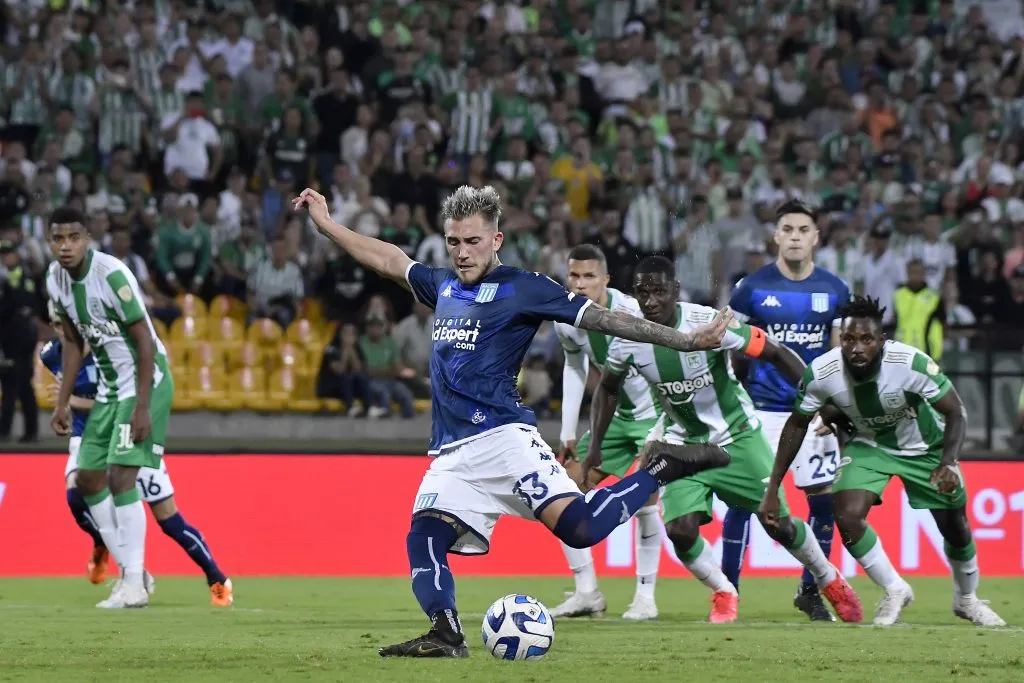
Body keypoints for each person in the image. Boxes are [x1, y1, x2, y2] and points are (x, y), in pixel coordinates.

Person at [293, 184, 733, 658]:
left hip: (504, 438)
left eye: (473, 242)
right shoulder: (441, 285)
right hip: (452, 453)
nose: (462, 253)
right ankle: (446, 634)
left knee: (580, 529)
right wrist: (329, 226)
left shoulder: (525, 288)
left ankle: (660, 469)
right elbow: (388, 259)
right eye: (454, 242)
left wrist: (685, 341)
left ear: (497, 240)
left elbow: (606, 320)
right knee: (423, 537)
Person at [591, 257, 862, 624]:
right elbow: (607, 388)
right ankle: (723, 590)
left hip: (737, 438)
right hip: (683, 445)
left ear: (675, 290)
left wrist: (818, 401)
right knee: (679, 531)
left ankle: (830, 580)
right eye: (643, 293)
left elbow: (776, 352)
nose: (651, 301)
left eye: (658, 291)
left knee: (776, 522)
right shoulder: (629, 338)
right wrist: (594, 447)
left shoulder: (709, 323)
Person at [760, 296, 1006, 627]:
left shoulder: (910, 364)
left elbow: (955, 411)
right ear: (840, 339)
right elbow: (797, 423)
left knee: (955, 528)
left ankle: (967, 599)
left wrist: (948, 461)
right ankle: (894, 588)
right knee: (845, 514)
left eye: (866, 339)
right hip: (869, 445)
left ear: (882, 341)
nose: (856, 348)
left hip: (924, 448)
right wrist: (774, 484)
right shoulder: (822, 372)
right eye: (848, 339)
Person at [40, 302, 232, 605]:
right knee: (76, 492)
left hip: (127, 431)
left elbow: (115, 399)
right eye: (55, 324)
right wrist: (65, 406)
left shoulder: (115, 351)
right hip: (87, 436)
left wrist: (69, 401)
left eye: (66, 323)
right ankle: (128, 569)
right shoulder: (52, 354)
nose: (61, 330)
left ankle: (217, 577)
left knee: (169, 519)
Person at [46, 207, 189, 609]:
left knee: (122, 478)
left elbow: (145, 341)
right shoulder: (55, 280)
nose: (66, 246)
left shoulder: (110, 274)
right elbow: (73, 343)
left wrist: (142, 407)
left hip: (146, 384)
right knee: (89, 480)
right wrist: (61, 403)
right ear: (49, 242)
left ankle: (132, 583)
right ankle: (135, 571)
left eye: (74, 237)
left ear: (87, 239)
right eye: (58, 239)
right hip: (110, 389)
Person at [719, 199, 851, 621]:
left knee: (823, 504)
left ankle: (811, 591)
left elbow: (840, 355)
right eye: (787, 229)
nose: (795, 236)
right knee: (744, 501)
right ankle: (729, 592)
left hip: (811, 414)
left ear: (816, 237)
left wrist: (834, 408)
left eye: (803, 230)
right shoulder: (750, 288)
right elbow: (727, 349)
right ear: (775, 236)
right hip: (760, 411)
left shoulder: (835, 289)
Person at [550, 244, 663, 621]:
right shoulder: (565, 317)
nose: (580, 284)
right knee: (564, 490)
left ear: (606, 280)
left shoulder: (632, 312)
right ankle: (587, 593)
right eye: (574, 276)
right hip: (613, 421)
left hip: (653, 416)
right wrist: (568, 431)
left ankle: (645, 597)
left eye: (589, 277)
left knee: (645, 498)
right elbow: (574, 368)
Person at [0, 238, 41, 442]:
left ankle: (10, 430)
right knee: (20, 383)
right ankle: (28, 430)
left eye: (8, 254)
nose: (5, 258)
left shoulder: (17, 277)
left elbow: (18, 304)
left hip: (17, 338)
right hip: (16, 336)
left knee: (14, 383)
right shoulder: (14, 276)